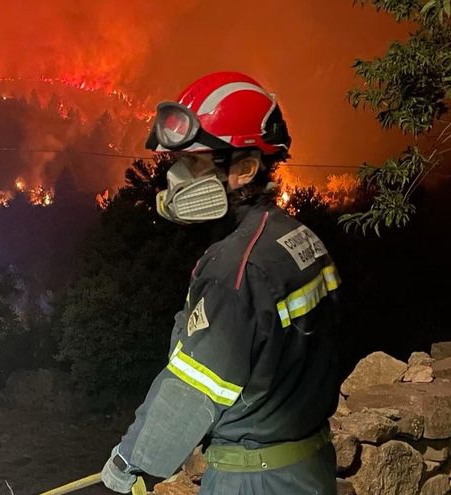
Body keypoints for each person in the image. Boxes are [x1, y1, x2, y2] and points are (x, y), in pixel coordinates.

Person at [100, 72, 341, 494]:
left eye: (193, 163)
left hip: (254, 478)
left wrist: (129, 458)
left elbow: (194, 388)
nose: (176, 178)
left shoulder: (236, 268)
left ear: (245, 168)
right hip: (309, 464)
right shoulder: (296, 237)